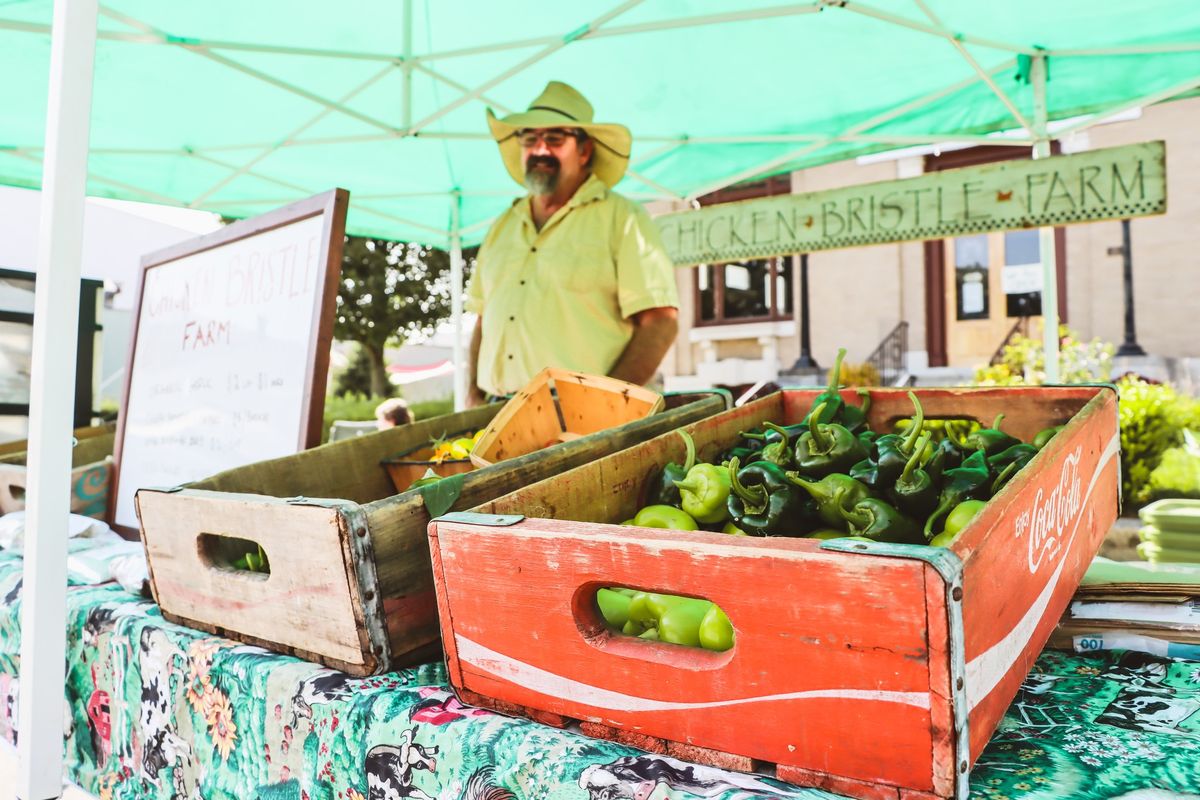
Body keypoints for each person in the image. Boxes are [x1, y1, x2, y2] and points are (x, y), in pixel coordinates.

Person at [465, 81, 679, 406]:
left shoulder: (623, 218)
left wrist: (604, 406)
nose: (540, 150)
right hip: (494, 410)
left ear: (584, 150)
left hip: (576, 414)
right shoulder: (502, 226)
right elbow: (483, 319)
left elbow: (660, 322)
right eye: (529, 138)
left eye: (554, 138)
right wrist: (472, 394)